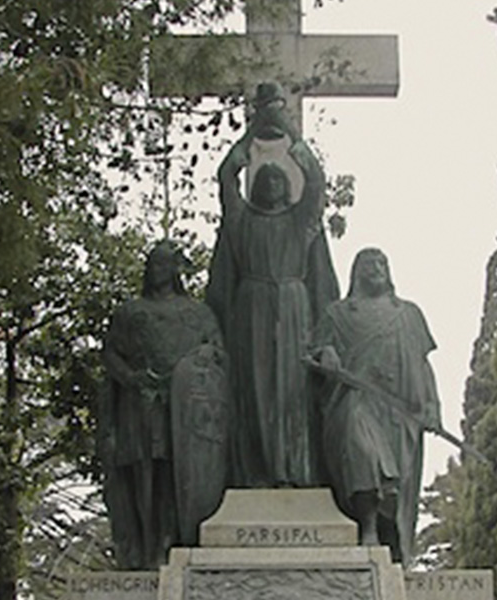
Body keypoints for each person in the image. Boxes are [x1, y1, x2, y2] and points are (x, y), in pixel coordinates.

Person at [206, 82, 339, 488]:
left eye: (279, 182)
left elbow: (316, 184)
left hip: (294, 306)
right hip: (251, 309)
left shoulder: (300, 225)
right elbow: (226, 177)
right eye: (265, 181)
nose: (272, 184)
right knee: (255, 391)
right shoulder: (242, 223)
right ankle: (256, 473)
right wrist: (253, 131)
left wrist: (289, 131)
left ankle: (294, 472)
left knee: (293, 391)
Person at [311, 248, 442, 563]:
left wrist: (433, 407)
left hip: (399, 409)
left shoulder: (408, 314)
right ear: (356, 272)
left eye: (382, 262)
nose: (377, 268)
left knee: (395, 481)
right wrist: (326, 352)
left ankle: (390, 537)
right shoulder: (338, 314)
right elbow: (316, 349)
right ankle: (366, 527)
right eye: (369, 263)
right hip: (357, 399)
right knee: (363, 451)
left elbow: (423, 365)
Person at [100, 241, 224, 569]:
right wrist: (131, 378)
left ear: (175, 271)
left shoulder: (198, 313)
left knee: (174, 473)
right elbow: (111, 354)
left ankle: (170, 541)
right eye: (154, 265)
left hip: (184, 411)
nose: (159, 271)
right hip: (141, 405)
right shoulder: (131, 312)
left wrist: (208, 355)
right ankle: (146, 541)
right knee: (144, 474)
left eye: (166, 265)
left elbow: (218, 352)